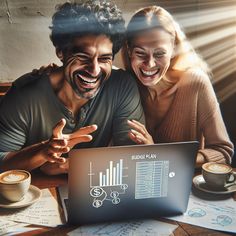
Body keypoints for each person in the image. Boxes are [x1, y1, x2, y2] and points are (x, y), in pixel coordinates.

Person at [0, 0, 144, 175]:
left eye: (104, 58)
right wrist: (43, 151)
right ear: (61, 52)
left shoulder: (122, 86)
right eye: (83, 57)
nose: (94, 70)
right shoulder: (23, 94)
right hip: (39, 194)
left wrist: (69, 166)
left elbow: (134, 157)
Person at [122, 6, 234, 167]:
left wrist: (161, 157)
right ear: (128, 50)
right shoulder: (124, 85)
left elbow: (223, 151)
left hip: (186, 188)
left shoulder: (196, 83)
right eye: (140, 53)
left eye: (159, 54)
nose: (150, 64)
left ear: (174, 49)